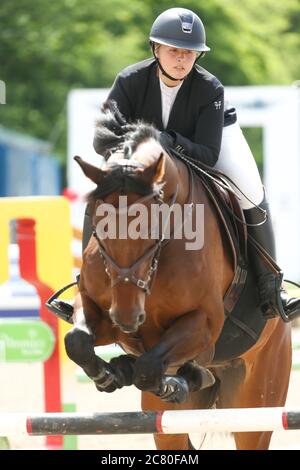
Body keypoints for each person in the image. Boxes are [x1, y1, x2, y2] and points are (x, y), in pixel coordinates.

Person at [53, 7, 300, 322]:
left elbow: (208, 154)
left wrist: (169, 141)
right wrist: (133, 151)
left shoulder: (210, 89)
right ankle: (83, 286)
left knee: (250, 190)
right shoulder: (129, 80)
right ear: (156, 49)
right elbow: (102, 139)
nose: (182, 59)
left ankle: (270, 285)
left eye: (189, 52)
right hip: (139, 153)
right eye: (174, 51)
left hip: (209, 139)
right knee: (104, 190)